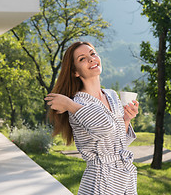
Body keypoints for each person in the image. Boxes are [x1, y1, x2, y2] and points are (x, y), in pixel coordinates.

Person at [44, 41, 139, 195]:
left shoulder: (112, 95)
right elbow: (104, 128)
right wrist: (69, 104)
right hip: (101, 181)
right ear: (75, 72)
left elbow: (118, 141)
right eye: (82, 59)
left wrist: (126, 119)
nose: (91, 59)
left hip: (125, 178)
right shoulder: (78, 103)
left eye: (92, 53)